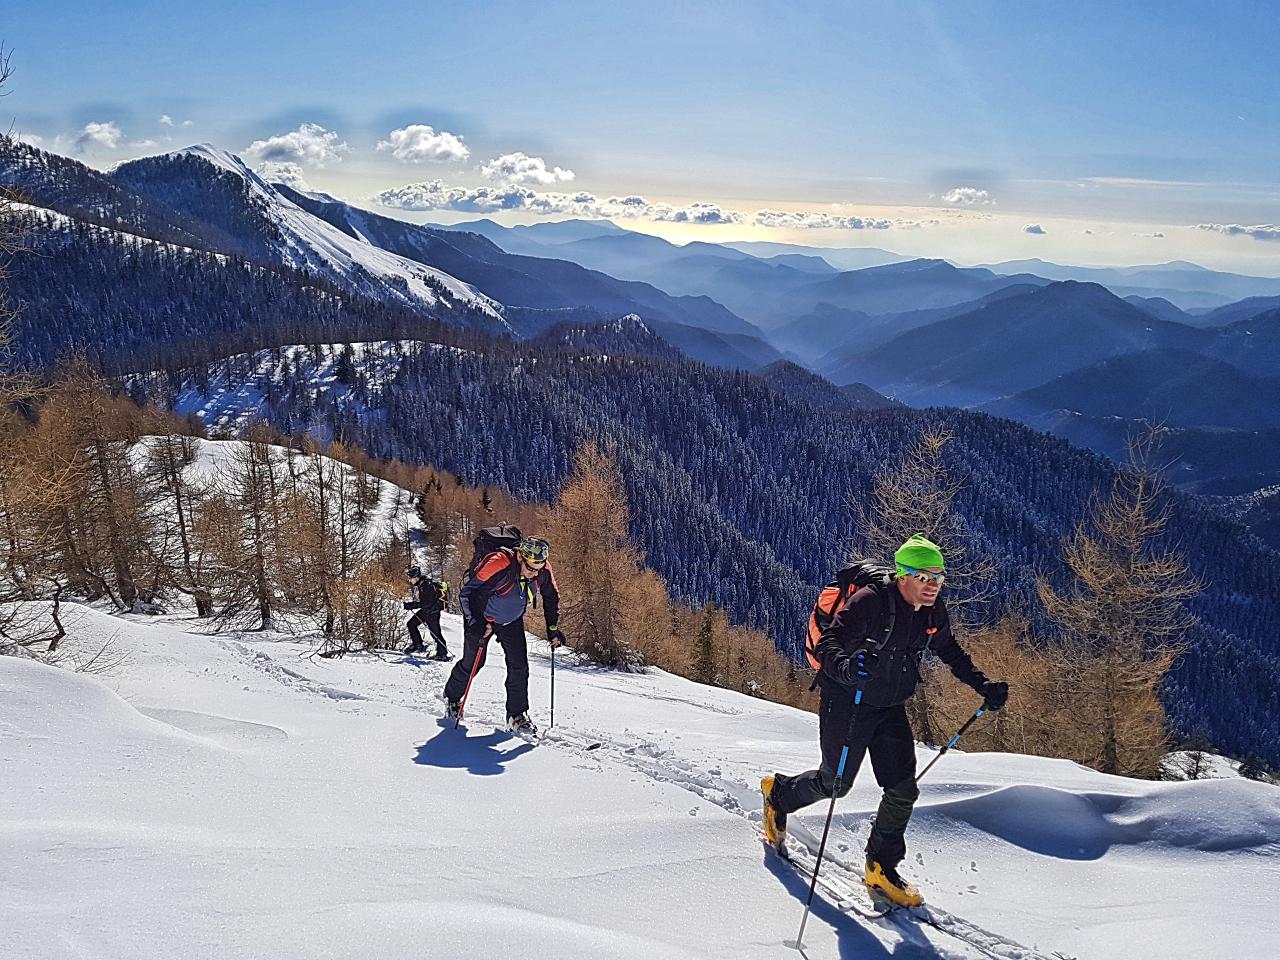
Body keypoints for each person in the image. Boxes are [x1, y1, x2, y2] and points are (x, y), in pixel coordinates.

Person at [761, 535, 1008, 908]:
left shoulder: (932, 612)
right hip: (848, 701)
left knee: (903, 788)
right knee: (835, 783)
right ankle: (778, 795)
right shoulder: (870, 603)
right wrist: (849, 668)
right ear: (903, 575)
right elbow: (830, 644)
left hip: (890, 705)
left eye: (939, 577)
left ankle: (881, 866)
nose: (934, 585)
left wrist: (982, 685)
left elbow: (949, 651)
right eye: (925, 576)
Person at [442, 536, 566, 735]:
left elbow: (551, 597)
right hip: (483, 619)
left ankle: (516, 716)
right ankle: (452, 697)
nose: (534, 574)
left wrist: (552, 628)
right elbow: (468, 594)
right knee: (473, 663)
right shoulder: (499, 563)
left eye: (538, 569)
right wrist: (477, 624)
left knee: (519, 666)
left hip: (511, 620)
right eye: (531, 569)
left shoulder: (543, 568)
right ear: (520, 558)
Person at [404, 567, 450, 661]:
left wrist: (411, 605)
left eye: (410, 578)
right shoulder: (422, 585)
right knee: (411, 624)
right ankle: (418, 645)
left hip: (432, 613)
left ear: (416, 577)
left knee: (435, 633)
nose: (409, 580)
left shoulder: (426, 585)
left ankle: (442, 654)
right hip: (426, 612)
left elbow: (426, 603)